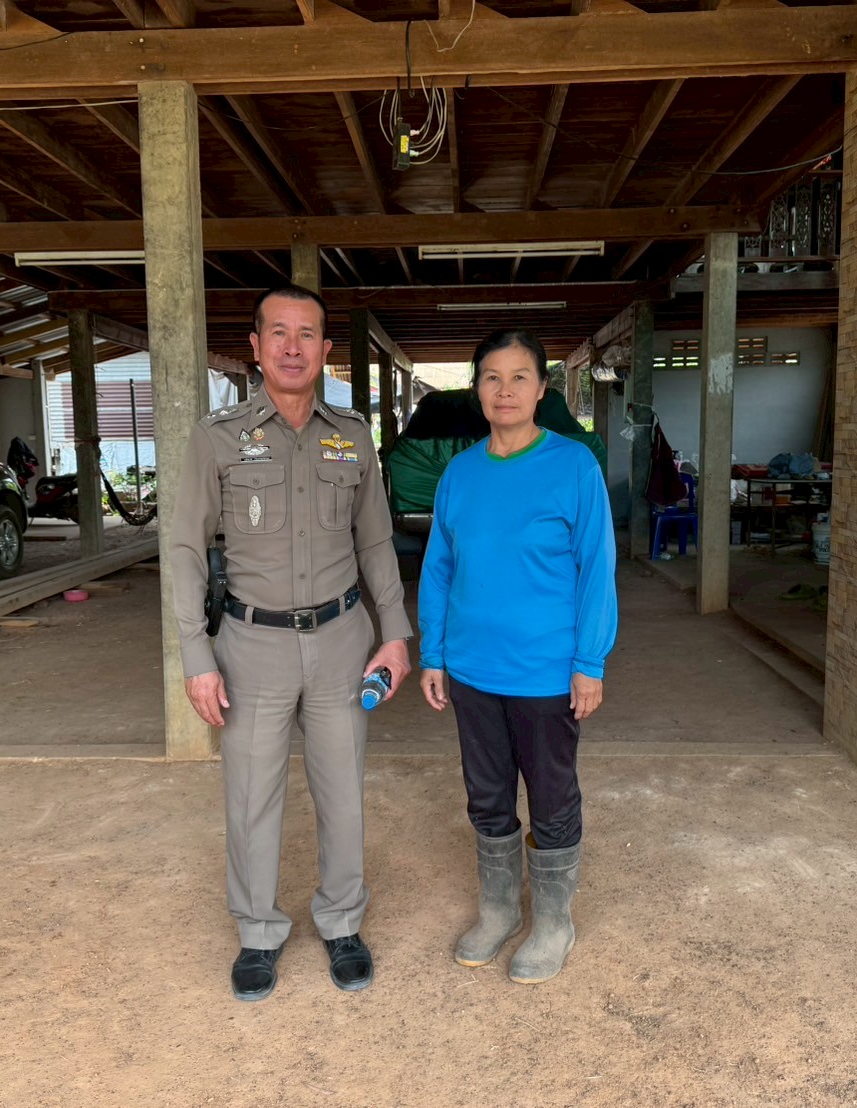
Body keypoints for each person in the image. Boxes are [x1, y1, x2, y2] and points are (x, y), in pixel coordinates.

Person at [169, 285, 412, 1002]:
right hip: (253, 645)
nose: (292, 347)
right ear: (255, 346)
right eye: (278, 332)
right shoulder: (217, 437)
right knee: (251, 796)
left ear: (325, 350)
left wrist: (395, 634)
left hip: (341, 641)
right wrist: (196, 656)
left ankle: (342, 921)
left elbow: (375, 541)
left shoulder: (353, 435)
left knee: (343, 792)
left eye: (307, 334)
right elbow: (185, 549)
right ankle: (258, 932)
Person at [417, 329, 617, 984]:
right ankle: (500, 910)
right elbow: (439, 567)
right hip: (473, 670)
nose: (505, 390)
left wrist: (589, 662)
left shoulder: (573, 466)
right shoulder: (460, 473)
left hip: (545, 671)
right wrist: (433, 653)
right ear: (476, 389)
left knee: (551, 796)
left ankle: (554, 922)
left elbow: (597, 569)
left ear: (541, 389)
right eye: (491, 378)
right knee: (486, 794)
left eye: (519, 377)